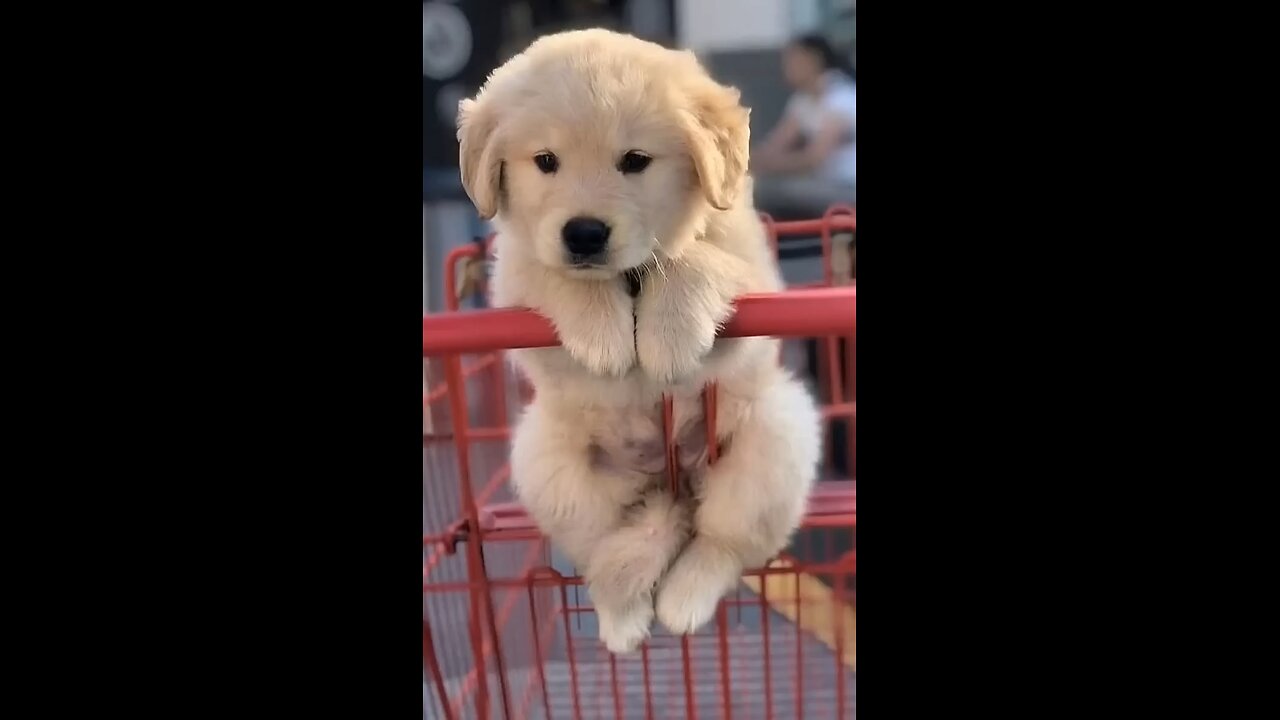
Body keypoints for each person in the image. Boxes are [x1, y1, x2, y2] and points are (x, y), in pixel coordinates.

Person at [752, 34, 856, 220]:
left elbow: (814, 158)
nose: (786, 68)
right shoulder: (802, 101)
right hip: (824, 185)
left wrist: (766, 165)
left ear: (813, 60)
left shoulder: (841, 97)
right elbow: (775, 145)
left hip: (847, 186)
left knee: (777, 197)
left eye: (793, 60)